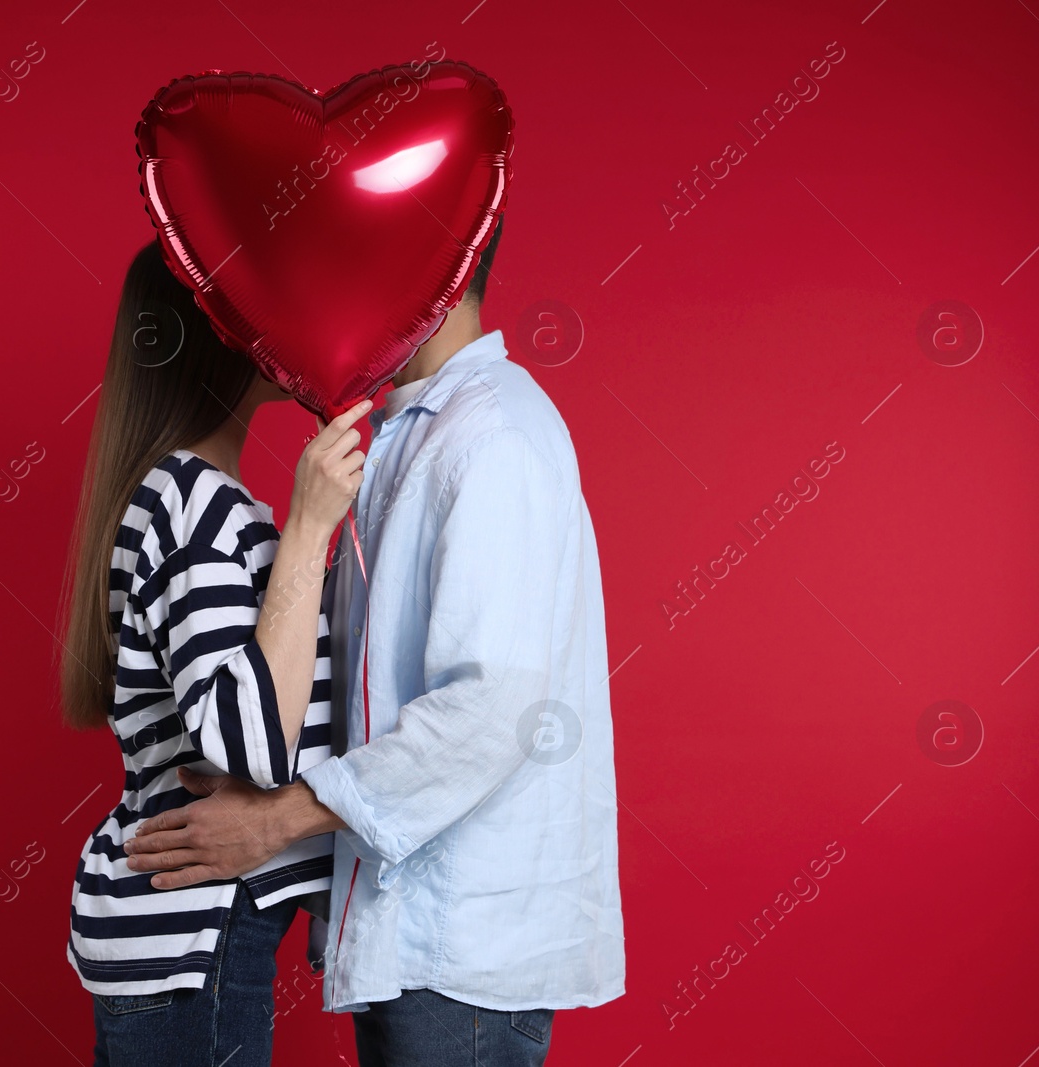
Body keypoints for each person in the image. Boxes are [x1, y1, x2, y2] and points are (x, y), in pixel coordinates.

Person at [123, 218, 627, 1066]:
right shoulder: (406, 434)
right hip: (410, 937)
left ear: (432, 269)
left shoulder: (491, 437)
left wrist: (279, 819)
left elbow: (492, 707)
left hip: (461, 947)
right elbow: (356, 683)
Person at [60, 239, 372, 1066]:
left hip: (194, 940)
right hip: (192, 937)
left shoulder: (203, 502)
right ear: (213, 336)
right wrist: (310, 524)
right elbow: (251, 748)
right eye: (248, 307)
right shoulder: (191, 505)